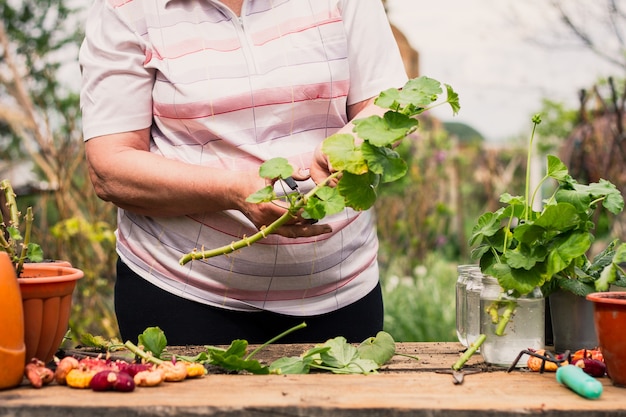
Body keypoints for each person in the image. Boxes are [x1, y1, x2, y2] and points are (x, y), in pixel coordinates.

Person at [79, 0, 408, 345]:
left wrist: (350, 144)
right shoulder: (123, 8)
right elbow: (111, 166)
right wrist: (234, 190)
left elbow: (389, 101)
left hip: (342, 291)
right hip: (182, 292)